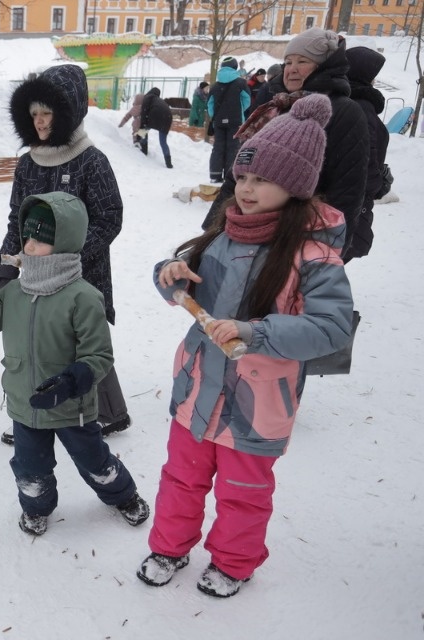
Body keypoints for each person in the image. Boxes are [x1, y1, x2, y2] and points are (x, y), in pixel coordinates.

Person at [137, 94, 354, 598]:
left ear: (295, 185)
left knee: (244, 493)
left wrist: (256, 332)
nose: (248, 189)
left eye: (262, 179)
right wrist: (169, 277)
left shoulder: (314, 256)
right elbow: (183, 286)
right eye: (243, 177)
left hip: (256, 405)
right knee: (180, 478)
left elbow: (331, 327)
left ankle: (233, 563)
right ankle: (169, 546)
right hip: (197, 391)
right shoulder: (222, 235)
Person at [0, 192, 150, 536]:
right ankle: (36, 507)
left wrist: (72, 381)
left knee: (94, 461)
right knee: (29, 469)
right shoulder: (15, 291)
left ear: (64, 244)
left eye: (42, 239)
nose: (30, 245)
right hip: (26, 404)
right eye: (29, 236)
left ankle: (122, 494)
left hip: (71, 407)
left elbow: (99, 356)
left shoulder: (82, 296)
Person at [0, 63, 132, 445]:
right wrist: (9, 261)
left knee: (84, 338)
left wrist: (74, 255)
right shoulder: (27, 163)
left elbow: (110, 217)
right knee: (41, 338)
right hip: (37, 272)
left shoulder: (91, 160)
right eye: (34, 115)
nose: (40, 123)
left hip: (82, 271)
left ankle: (106, 413)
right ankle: (34, 414)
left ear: (68, 112)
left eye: (48, 113)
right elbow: (17, 217)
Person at [200, 28, 369, 260]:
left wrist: (325, 255)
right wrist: (212, 232)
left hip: (299, 237)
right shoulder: (275, 107)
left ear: (324, 66)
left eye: (302, 61)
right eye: (288, 62)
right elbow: (239, 173)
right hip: (249, 232)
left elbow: (347, 190)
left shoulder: (344, 112)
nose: (292, 69)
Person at [341, 46, 390, 263]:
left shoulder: (346, 99)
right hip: (352, 200)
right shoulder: (361, 105)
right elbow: (364, 158)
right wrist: (378, 184)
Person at [207, 56, 250, 182]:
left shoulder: (214, 86)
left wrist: (215, 116)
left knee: (218, 147)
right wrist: (239, 110)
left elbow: (209, 104)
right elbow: (247, 100)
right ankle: (229, 176)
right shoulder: (241, 83)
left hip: (219, 122)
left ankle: (215, 175)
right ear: (235, 67)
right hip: (236, 120)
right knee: (233, 147)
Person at [140, 87, 174, 168]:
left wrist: (143, 124)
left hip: (155, 116)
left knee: (143, 131)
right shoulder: (159, 100)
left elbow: (144, 111)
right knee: (163, 142)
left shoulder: (147, 97)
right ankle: (168, 163)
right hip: (168, 117)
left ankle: (144, 150)